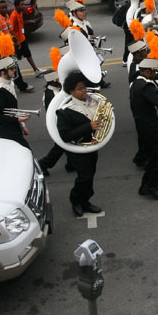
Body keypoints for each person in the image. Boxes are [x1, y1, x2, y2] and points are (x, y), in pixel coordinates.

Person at [57, 71, 102, 217]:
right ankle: (76, 200)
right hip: (77, 149)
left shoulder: (91, 101)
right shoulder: (65, 112)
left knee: (90, 175)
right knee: (84, 176)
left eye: (85, 88)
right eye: (80, 89)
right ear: (71, 91)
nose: (85, 91)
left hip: (92, 146)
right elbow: (65, 136)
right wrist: (89, 127)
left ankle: (86, 201)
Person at [131, 57, 158, 200]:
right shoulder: (146, 86)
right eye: (153, 72)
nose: (154, 74)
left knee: (155, 156)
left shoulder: (136, 83)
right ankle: (153, 186)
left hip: (143, 125)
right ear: (148, 71)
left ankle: (145, 185)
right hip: (150, 126)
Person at [0, 40, 31, 147]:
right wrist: (17, 120)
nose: (15, 71)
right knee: (26, 151)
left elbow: (13, 110)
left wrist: (22, 125)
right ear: (3, 72)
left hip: (14, 127)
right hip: (7, 132)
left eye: (14, 68)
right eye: (12, 69)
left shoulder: (10, 82)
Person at [68, 0, 111, 89]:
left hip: (89, 49)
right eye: (81, 11)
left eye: (84, 10)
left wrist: (93, 38)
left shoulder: (85, 22)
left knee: (96, 64)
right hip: (81, 53)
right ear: (74, 13)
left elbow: (90, 34)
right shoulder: (73, 26)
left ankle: (99, 81)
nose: (84, 12)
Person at [0, 1, 33, 93]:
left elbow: (11, 30)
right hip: (2, 51)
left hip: (10, 48)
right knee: (9, 68)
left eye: (5, 7)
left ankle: (18, 85)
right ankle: (21, 86)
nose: (4, 9)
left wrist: (17, 41)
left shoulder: (6, 16)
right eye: (2, 8)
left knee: (12, 67)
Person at [10, 0, 44, 76]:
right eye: (22, 5)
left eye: (24, 5)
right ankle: (13, 75)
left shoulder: (20, 13)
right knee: (14, 58)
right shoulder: (13, 16)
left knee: (28, 54)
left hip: (22, 39)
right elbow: (11, 30)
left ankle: (36, 70)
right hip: (18, 41)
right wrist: (17, 41)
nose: (24, 6)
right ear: (17, 6)